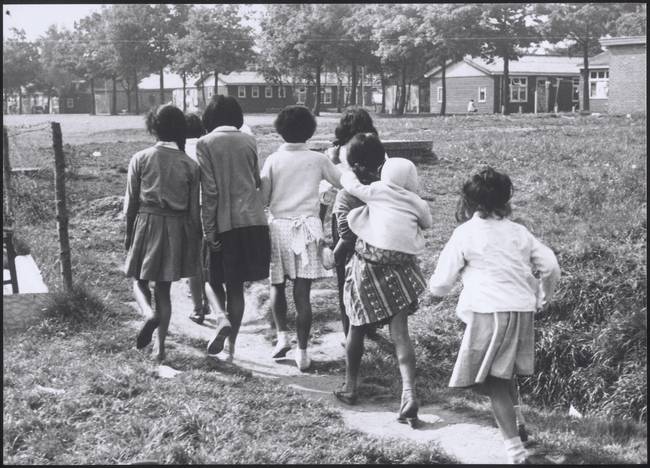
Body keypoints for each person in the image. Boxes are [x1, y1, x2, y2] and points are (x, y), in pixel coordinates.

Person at [428, 167, 560, 464]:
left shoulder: (465, 233)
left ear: (468, 201)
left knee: (493, 381)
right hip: (521, 309)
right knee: (504, 372)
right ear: (506, 198)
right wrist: (542, 296)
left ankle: (514, 450)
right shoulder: (519, 232)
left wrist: (436, 288)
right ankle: (519, 421)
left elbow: (441, 282)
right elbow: (550, 266)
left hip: (489, 311)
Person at [333, 135, 432, 430]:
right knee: (400, 333)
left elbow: (350, 186)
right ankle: (408, 392)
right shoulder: (416, 200)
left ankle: (351, 386)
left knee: (357, 326)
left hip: (369, 267)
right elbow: (426, 223)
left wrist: (343, 167)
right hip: (401, 268)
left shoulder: (375, 190)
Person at [260, 105, 341, 372]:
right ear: (310, 130)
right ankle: (303, 352)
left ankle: (282, 335)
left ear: (280, 130)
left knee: (277, 285)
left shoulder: (273, 160)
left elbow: (264, 198)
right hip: (308, 226)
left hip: (279, 225)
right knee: (303, 293)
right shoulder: (318, 159)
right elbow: (340, 182)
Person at [124, 104, 201, 363]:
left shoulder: (141, 158)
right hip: (176, 227)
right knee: (164, 290)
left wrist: (128, 235)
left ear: (153, 128)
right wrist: (193, 242)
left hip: (147, 222)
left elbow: (131, 203)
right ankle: (160, 348)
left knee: (139, 280)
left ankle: (148, 314)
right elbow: (193, 212)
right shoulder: (190, 165)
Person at [197, 95, 271, 361]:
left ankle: (220, 319)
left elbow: (210, 191)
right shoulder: (249, 140)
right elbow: (255, 179)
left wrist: (209, 229)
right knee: (236, 287)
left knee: (211, 280)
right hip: (252, 221)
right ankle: (231, 348)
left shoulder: (205, 143)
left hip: (224, 222)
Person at [321, 108, 382, 340]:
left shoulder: (338, 152)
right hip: (374, 212)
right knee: (370, 267)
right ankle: (370, 323)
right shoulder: (376, 147)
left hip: (345, 214)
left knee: (344, 271)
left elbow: (329, 188)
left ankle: (349, 327)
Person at [182, 112, 211, 325]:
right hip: (210, 207)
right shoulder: (207, 147)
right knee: (209, 258)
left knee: (194, 259)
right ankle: (213, 301)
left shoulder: (181, 150)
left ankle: (198, 307)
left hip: (189, 208)